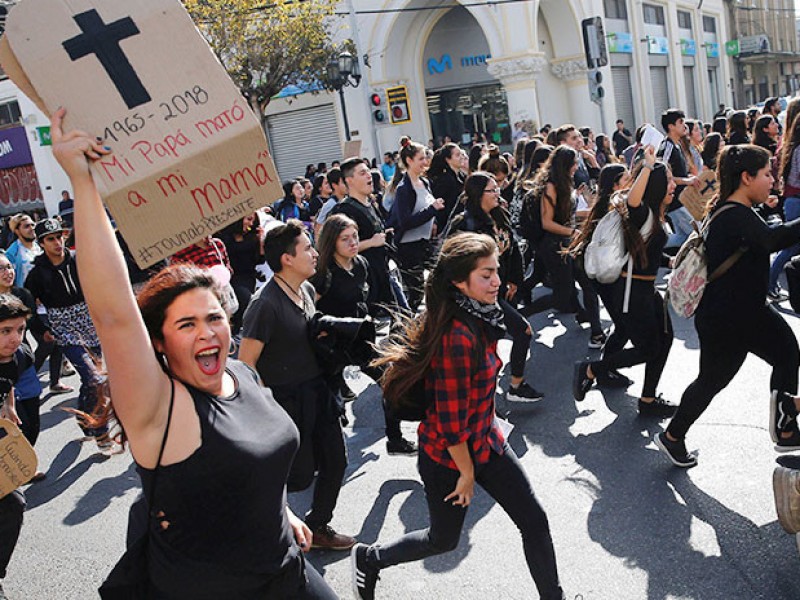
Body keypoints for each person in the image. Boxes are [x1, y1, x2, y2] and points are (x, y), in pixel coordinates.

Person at [48, 109, 338, 597]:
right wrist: (83, 182)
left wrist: (281, 510)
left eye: (214, 318)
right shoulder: (159, 409)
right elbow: (115, 313)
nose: (207, 333)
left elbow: (250, 467)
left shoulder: (244, 374)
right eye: (186, 324)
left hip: (285, 570)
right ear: (158, 341)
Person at [351, 233, 565, 600]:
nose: (496, 281)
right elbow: (450, 427)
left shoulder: (483, 314)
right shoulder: (457, 337)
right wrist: (465, 474)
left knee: (534, 521)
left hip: (486, 440)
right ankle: (370, 558)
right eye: (485, 274)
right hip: (449, 456)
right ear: (459, 282)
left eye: (496, 270)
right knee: (442, 540)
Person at [655, 145, 800, 468]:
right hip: (736, 315)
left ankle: (672, 437)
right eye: (766, 174)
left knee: (712, 379)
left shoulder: (730, 210)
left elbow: (762, 235)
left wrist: (770, 213)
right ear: (746, 178)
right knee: (787, 353)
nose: (772, 180)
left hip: (725, 314)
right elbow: (770, 240)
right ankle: (785, 425)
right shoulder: (734, 214)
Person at [239, 219, 356, 551]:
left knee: (336, 462)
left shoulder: (305, 289)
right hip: (285, 403)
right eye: (307, 248)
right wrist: (266, 410)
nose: (315, 254)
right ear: (286, 258)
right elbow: (246, 364)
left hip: (318, 392)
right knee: (297, 475)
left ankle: (318, 526)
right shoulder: (265, 304)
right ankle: (268, 531)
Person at [573, 152, 677, 417]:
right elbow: (633, 199)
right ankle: (591, 369)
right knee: (648, 348)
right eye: (668, 180)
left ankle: (648, 400)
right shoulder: (641, 211)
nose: (674, 184)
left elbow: (645, 253)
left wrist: (671, 262)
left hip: (646, 289)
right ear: (656, 185)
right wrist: (649, 166)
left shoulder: (654, 213)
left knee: (665, 340)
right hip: (632, 292)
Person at [310, 214, 417, 454]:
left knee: (391, 382)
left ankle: (395, 439)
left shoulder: (361, 264)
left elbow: (367, 298)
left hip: (359, 337)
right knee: (330, 404)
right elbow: (309, 310)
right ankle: (323, 453)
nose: (352, 243)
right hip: (331, 343)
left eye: (355, 237)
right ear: (331, 242)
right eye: (344, 239)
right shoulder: (323, 273)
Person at [447, 172, 544, 401]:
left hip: (501, 288)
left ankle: (493, 397)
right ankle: (513, 387)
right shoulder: (465, 224)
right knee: (522, 331)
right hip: (477, 295)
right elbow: (453, 261)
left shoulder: (500, 215)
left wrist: (514, 281)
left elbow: (511, 251)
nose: (498, 193)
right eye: (492, 190)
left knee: (490, 345)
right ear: (479, 194)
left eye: (498, 188)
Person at [24, 217, 109, 449]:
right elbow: (28, 307)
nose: (57, 242)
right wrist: (42, 331)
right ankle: (100, 431)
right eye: (50, 239)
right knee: (94, 378)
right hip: (65, 329)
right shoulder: (37, 274)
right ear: (42, 242)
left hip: (91, 323)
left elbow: (98, 284)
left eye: (59, 237)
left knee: (97, 379)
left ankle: (83, 414)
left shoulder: (78, 260)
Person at [332, 158, 401, 314]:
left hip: (383, 272)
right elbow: (337, 248)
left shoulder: (371, 204)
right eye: (363, 173)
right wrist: (371, 242)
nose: (369, 176)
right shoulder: (344, 211)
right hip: (364, 281)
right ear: (350, 181)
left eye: (369, 172)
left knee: (400, 317)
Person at [0, 295, 34, 599]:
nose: (15, 339)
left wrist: (9, 406)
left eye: (20, 329)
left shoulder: (22, 356)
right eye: (5, 331)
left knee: (13, 504)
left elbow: (8, 381)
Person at [389, 138, 445, 312]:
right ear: (409, 161)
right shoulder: (403, 189)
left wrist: (433, 219)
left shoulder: (425, 182)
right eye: (421, 158)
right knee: (416, 294)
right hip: (408, 248)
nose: (425, 162)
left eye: (425, 158)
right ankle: (404, 329)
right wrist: (432, 210)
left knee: (441, 280)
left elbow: (427, 209)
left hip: (426, 243)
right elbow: (405, 221)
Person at [657, 108, 699, 249]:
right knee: (697, 235)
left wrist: (688, 178)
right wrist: (686, 181)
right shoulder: (667, 147)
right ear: (671, 126)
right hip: (675, 203)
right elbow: (661, 175)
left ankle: (655, 246)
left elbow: (677, 173)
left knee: (683, 238)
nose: (684, 125)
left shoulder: (677, 145)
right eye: (680, 122)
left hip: (683, 200)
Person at [218, 214, 264, 336]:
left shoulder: (252, 238)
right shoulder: (222, 237)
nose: (250, 224)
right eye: (248, 219)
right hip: (230, 279)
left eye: (252, 221)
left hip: (247, 279)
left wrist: (261, 241)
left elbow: (260, 260)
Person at [428, 143, 466, 234]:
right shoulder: (445, 180)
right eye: (457, 155)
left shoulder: (462, 176)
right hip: (448, 226)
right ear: (448, 159)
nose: (462, 157)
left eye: (461, 154)